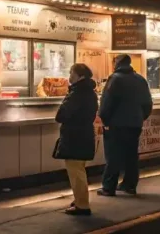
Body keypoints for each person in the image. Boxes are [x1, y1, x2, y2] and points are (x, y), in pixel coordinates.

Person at [97, 54, 152, 197]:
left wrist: (105, 120)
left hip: (116, 124)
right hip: (134, 124)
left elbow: (106, 103)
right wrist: (139, 118)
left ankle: (109, 187)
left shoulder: (114, 79)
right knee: (131, 155)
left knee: (113, 155)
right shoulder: (141, 80)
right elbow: (148, 104)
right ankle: (130, 185)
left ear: (117, 63)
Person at [54, 64, 98, 216]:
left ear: (81, 76)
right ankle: (80, 199)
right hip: (83, 134)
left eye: (72, 73)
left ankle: (82, 205)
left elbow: (61, 115)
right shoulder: (89, 92)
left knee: (75, 171)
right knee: (79, 169)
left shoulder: (77, 93)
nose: (69, 76)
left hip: (75, 135)